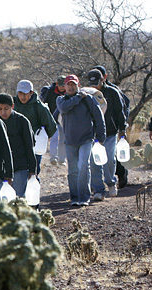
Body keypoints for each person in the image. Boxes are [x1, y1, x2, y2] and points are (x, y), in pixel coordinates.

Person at [56, 74, 106, 207]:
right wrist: (78, 97)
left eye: (73, 84)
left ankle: (84, 197)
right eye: (69, 84)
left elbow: (98, 117)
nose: (71, 87)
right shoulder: (61, 100)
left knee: (84, 166)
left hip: (86, 139)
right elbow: (64, 109)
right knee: (73, 170)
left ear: (78, 85)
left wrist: (101, 137)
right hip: (70, 141)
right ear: (65, 87)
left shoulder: (88, 99)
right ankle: (75, 198)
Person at [87, 68, 127, 201]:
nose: (94, 86)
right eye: (92, 83)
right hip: (93, 134)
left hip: (110, 132)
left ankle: (110, 181)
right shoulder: (87, 93)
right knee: (94, 162)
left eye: (97, 83)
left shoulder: (112, 92)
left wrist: (123, 130)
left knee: (109, 159)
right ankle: (98, 189)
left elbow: (120, 112)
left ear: (103, 80)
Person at [0, 93, 36, 197]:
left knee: (18, 199)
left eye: (6, 108)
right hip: (1, 169)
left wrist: (32, 170)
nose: (3, 112)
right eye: (0, 109)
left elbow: (29, 146)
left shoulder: (22, 121)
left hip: (20, 166)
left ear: (12, 107)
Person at [14, 79, 57, 174]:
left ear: (31, 93)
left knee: (33, 172)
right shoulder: (12, 105)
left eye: (25, 93)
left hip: (34, 145)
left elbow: (51, 126)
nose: (22, 96)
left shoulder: (39, 107)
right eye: (20, 93)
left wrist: (42, 138)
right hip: (15, 144)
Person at [41, 75, 66, 165]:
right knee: (54, 138)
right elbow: (44, 103)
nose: (62, 87)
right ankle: (53, 158)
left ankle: (62, 159)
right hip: (53, 118)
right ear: (57, 84)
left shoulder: (69, 92)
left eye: (64, 85)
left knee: (63, 139)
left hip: (65, 120)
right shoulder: (50, 91)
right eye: (61, 85)